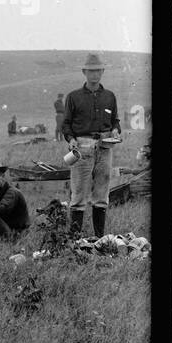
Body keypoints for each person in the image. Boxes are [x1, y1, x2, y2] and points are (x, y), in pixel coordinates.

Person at [62, 53, 122, 236]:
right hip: (82, 148)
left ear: (102, 71)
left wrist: (115, 130)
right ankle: (74, 240)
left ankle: (99, 239)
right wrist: (71, 140)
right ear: (84, 72)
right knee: (79, 194)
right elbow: (66, 124)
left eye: (98, 71)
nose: (94, 75)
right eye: (91, 71)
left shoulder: (110, 96)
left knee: (102, 194)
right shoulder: (73, 97)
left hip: (105, 147)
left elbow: (115, 121)